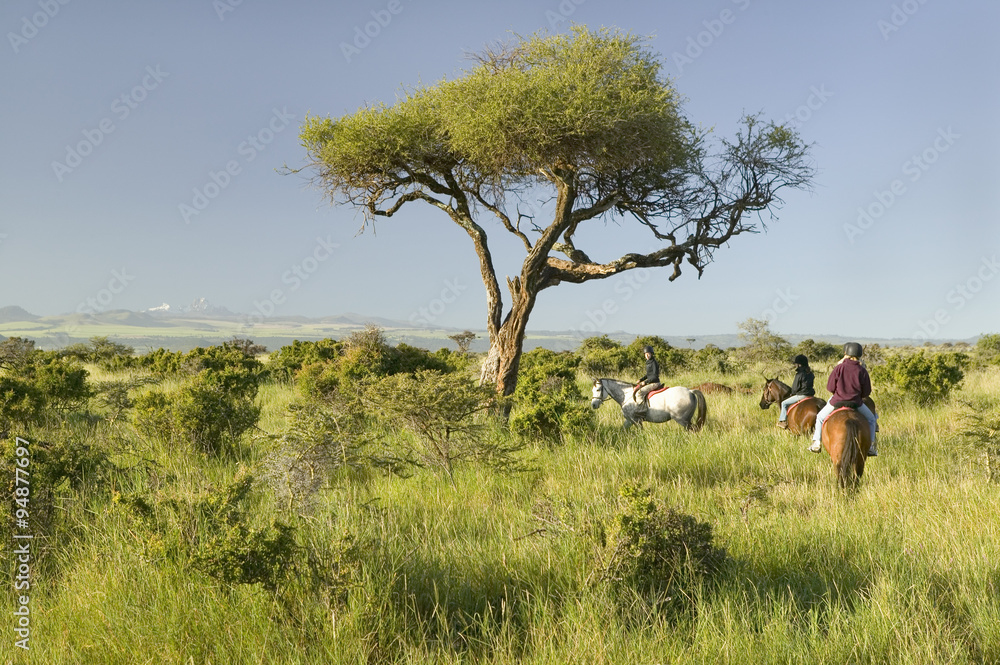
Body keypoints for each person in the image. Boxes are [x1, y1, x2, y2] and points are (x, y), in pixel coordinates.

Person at [809, 342, 878, 456]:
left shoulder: (839, 368)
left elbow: (830, 387)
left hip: (837, 400)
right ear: (860, 354)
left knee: (820, 417)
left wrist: (838, 393)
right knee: (871, 420)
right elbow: (867, 392)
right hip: (856, 402)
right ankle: (870, 446)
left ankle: (816, 442)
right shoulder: (862, 370)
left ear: (846, 353)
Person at [776, 354, 815, 429]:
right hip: (811, 395)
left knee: (783, 403)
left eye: (797, 364)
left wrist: (792, 393)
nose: (796, 365)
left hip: (801, 395)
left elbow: (795, 388)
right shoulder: (810, 373)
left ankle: (783, 421)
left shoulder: (799, 374)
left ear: (800, 364)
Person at [632, 345, 663, 418]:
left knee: (640, 393)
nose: (647, 355)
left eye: (648, 354)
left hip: (655, 383)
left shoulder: (654, 363)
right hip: (650, 382)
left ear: (652, 354)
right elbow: (648, 374)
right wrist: (641, 379)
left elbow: (655, 376)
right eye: (646, 354)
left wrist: (645, 382)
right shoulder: (648, 362)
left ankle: (642, 411)